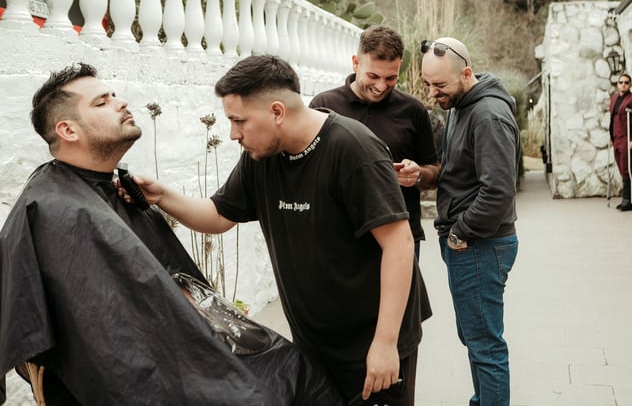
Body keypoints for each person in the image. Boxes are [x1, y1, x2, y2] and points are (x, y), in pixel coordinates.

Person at [0, 63, 344, 406]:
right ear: (68, 130)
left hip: (186, 354)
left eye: (114, 95)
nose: (121, 102)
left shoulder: (113, 189)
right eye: (102, 102)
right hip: (152, 378)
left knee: (299, 372)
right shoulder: (52, 212)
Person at [133, 54, 432, 405]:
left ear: (277, 112)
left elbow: (399, 244)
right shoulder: (262, 157)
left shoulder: (353, 149)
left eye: (239, 121)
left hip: (371, 343)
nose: (233, 134)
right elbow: (218, 215)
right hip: (314, 344)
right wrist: (161, 195)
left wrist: (385, 344)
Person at [420, 38, 520, 406]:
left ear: (466, 73)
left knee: (485, 345)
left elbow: (498, 191)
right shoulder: (461, 105)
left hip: (479, 245)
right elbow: (459, 171)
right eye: (428, 84)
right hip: (471, 244)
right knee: (475, 338)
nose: (432, 93)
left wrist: (460, 232)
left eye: (439, 85)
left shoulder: (488, 115)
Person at [309, 25, 440, 258]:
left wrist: (418, 174)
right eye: (373, 76)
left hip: (401, 238)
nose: (381, 87)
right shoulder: (324, 106)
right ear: (356, 63)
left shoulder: (414, 111)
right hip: (340, 239)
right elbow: (308, 173)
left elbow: (435, 171)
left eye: (391, 78)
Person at [609, 73, 632, 211]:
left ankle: (628, 200)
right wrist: (611, 137)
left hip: (626, 138)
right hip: (616, 138)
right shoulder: (614, 98)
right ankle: (626, 197)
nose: (623, 84)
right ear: (618, 84)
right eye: (621, 82)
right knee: (621, 167)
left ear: (630, 85)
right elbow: (612, 119)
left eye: (626, 82)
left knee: (626, 167)